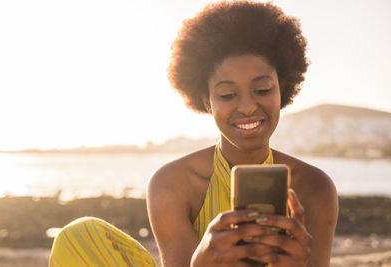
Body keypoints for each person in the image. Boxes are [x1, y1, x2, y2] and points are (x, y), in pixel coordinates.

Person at [49, 1, 338, 266]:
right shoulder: (172, 184)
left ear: (282, 90)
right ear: (205, 101)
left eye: (262, 90)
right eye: (227, 94)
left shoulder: (315, 189)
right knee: (79, 235)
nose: (248, 107)